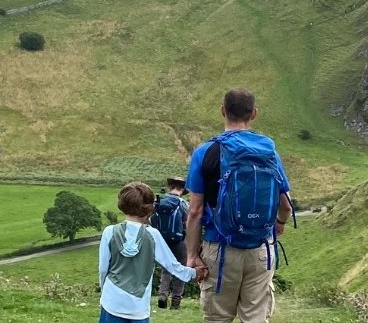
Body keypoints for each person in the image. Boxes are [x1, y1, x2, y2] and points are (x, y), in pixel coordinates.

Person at [186, 88, 294, 323]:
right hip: (260, 249)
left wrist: (193, 255)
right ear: (253, 114)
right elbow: (285, 205)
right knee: (255, 318)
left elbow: (195, 211)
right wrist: (279, 224)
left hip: (219, 248)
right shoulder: (270, 153)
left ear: (222, 111)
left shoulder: (205, 152)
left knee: (218, 318)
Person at [99, 182, 196, 323]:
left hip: (111, 302)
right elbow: (173, 266)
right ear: (150, 208)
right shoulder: (153, 235)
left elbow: (103, 269)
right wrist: (196, 273)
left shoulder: (109, 232)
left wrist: (104, 292)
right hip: (138, 308)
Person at [151, 176, 191, 310]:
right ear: (183, 189)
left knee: (166, 267)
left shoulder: (160, 201)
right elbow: (189, 222)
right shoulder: (183, 203)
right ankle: (175, 302)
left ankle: (162, 295)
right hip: (179, 241)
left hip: (162, 240)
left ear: (170, 187)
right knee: (181, 268)